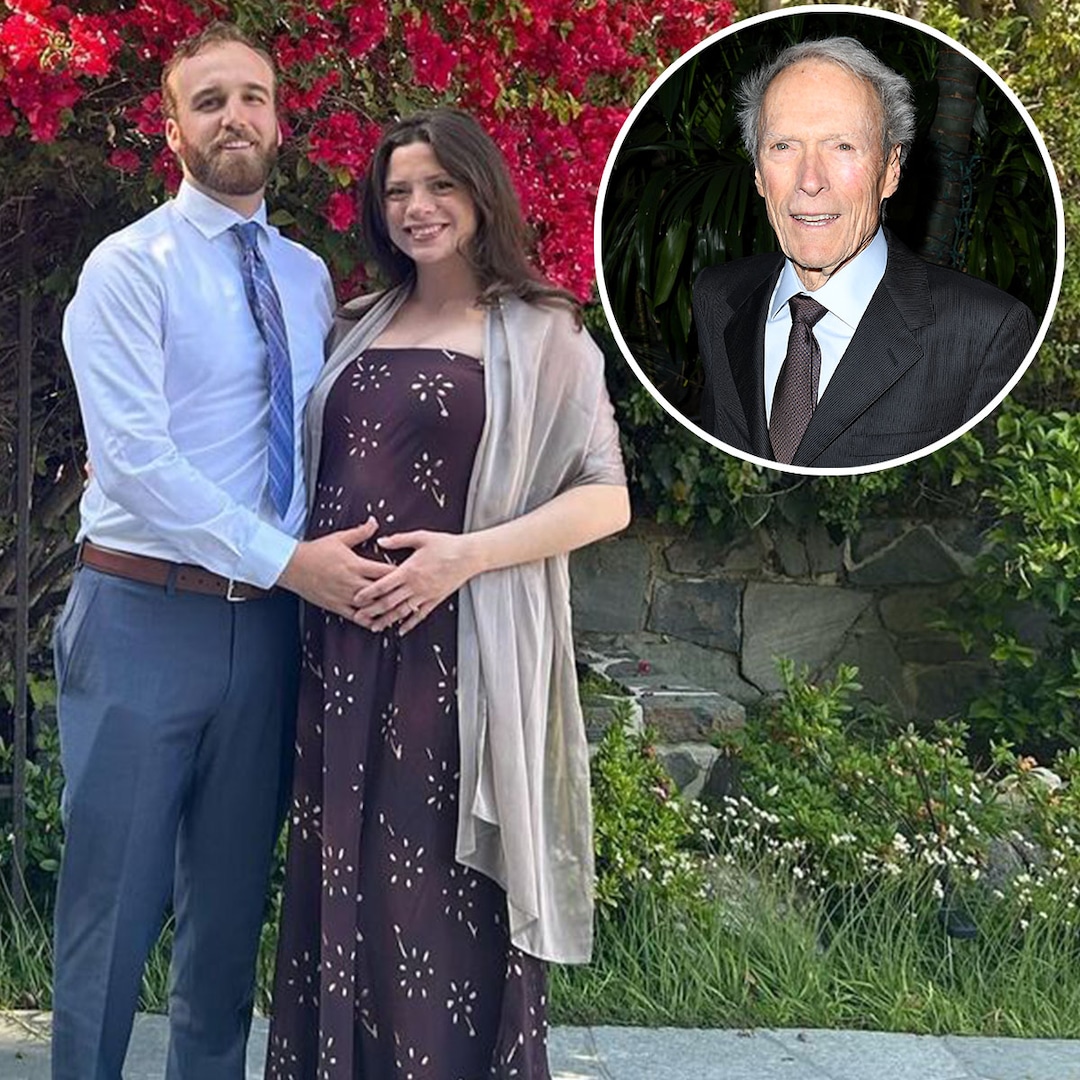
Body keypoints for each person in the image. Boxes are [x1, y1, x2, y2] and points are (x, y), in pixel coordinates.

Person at [52, 22, 391, 1080]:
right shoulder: (129, 269)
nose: (234, 117)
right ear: (172, 130)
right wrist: (293, 563)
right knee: (111, 910)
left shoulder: (304, 277)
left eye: (253, 97)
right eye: (209, 102)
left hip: (270, 631)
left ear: (280, 121)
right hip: (143, 615)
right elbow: (135, 464)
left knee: (232, 915)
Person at [264, 108, 630, 1080]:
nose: (418, 207)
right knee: (342, 884)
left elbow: (607, 498)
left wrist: (462, 558)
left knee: (432, 892)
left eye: (439, 185)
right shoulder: (356, 322)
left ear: (480, 193)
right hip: (338, 651)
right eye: (398, 191)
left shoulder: (544, 331)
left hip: (456, 655)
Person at [693, 36, 1038, 469]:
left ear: (890, 170)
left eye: (842, 146)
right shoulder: (718, 297)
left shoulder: (987, 333)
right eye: (783, 146)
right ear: (759, 173)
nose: (810, 180)